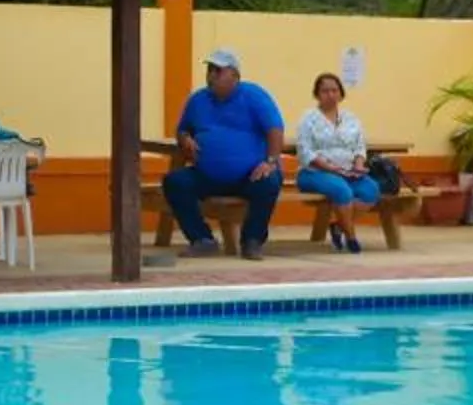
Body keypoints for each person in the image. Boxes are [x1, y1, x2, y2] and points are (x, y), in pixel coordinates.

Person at [162, 49, 285, 260]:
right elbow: (183, 129)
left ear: (235, 76)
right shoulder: (198, 100)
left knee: (268, 182)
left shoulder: (254, 96)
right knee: (175, 182)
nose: (211, 76)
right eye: (210, 70)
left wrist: (270, 161)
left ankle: (252, 242)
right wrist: (185, 139)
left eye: (218, 71)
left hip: (249, 175)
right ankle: (202, 240)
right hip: (208, 175)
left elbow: (275, 129)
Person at [292, 71, 379, 253]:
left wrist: (359, 164)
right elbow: (304, 152)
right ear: (317, 94)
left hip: (348, 172)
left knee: (371, 190)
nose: (330, 95)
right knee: (341, 190)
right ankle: (351, 237)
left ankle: (339, 225)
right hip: (315, 172)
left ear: (340, 93)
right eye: (325, 91)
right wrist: (330, 168)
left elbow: (360, 146)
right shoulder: (308, 119)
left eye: (334, 90)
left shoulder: (351, 119)